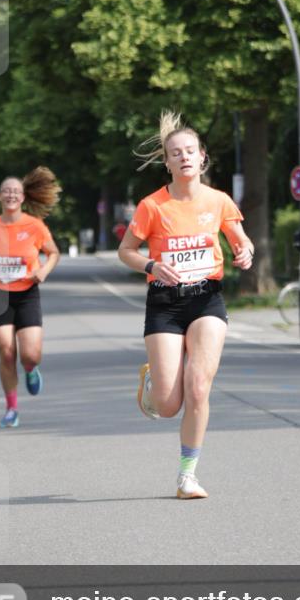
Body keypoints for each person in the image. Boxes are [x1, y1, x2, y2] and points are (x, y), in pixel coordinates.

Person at [118, 111, 254, 499]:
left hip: (207, 298)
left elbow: (242, 242)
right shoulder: (152, 206)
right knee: (167, 405)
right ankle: (153, 379)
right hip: (164, 303)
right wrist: (151, 264)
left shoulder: (219, 200)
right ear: (167, 161)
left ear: (202, 157)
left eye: (190, 151)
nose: (184, 157)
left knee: (198, 390)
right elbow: (125, 250)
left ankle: (186, 476)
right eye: (176, 153)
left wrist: (244, 253)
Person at [0, 167, 61, 428]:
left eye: (15, 191)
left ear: (23, 197)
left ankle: (31, 369)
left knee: (30, 355)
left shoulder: (34, 225)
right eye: (6, 191)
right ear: (0, 196)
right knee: (7, 353)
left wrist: (43, 270)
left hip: (28, 293)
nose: (11, 195)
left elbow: (53, 253)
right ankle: (11, 409)